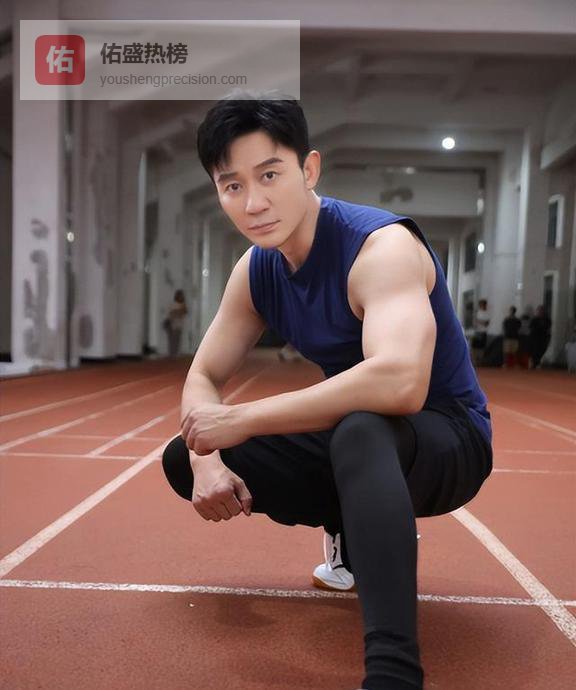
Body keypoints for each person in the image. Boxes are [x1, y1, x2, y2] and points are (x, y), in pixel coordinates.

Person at [161, 95, 492, 690]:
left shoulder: (380, 247)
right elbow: (203, 376)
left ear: (308, 169)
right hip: (356, 437)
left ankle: (394, 672)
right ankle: (352, 520)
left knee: (362, 429)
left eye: (269, 175)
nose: (254, 203)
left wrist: (245, 419)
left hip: (448, 438)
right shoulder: (256, 269)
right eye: (232, 185)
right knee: (181, 457)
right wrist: (206, 456)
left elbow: (400, 382)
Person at [165, 289, 188, 357]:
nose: (181, 297)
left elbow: (184, 312)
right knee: (172, 341)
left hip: (179, 325)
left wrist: (180, 309)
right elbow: (172, 313)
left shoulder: (182, 304)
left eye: (182, 296)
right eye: (180, 295)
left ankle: (175, 354)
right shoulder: (173, 304)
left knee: (177, 340)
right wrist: (178, 311)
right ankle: (172, 354)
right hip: (173, 325)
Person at [471, 299, 490, 366]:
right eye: (480, 304)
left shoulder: (487, 313)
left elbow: (486, 323)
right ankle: (474, 361)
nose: (481, 306)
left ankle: (480, 361)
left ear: (485, 305)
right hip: (476, 331)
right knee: (474, 346)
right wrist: (480, 321)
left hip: (483, 332)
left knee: (481, 347)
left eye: (482, 304)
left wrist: (479, 321)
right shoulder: (477, 312)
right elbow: (474, 321)